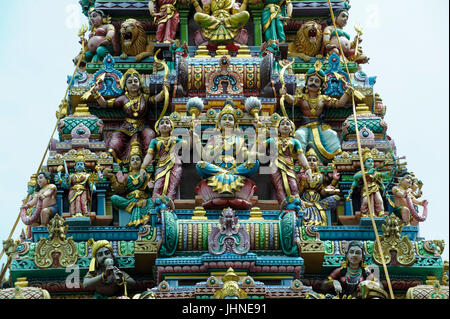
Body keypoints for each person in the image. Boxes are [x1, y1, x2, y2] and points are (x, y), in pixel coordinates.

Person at [280, 60, 351, 163]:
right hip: (305, 126)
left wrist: (348, 92)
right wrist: (285, 95)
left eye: (317, 81)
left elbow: (339, 103)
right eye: (311, 80)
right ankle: (299, 161)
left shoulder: (323, 98)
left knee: (332, 134)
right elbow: (292, 100)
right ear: (306, 82)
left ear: (321, 85)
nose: (313, 83)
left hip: (319, 126)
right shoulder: (302, 98)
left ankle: (337, 160)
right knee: (299, 135)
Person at [91, 68, 168, 162]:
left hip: (143, 125)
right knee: (116, 138)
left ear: (140, 84)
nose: (133, 83)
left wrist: (164, 91)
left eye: (136, 81)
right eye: (130, 82)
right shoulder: (123, 99)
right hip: (127, 127)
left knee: (149, 135)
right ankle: (110, 158)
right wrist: (96, 93)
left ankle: (151, 159)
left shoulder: (144, 97)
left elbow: (156, 99)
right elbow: (105, 104)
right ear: (125, 86)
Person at [194, 99, 259, 194]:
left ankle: (228, 174)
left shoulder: (239, 139)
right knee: (200, 165)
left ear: (234, 124)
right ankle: (228, 174)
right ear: (219, 123)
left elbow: (247, 157)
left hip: (235, 168)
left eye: (230, 119)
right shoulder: (214, 138)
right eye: (224, 119)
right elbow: (206, 157)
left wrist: (258, 136)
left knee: (254, 163)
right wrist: (217, 148)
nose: (227, 121)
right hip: (217, 168)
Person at [262, 117, 311, 210]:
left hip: (289, 165)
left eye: (288, 124)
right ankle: (284, 207)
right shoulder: (272, 140)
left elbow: (301, 155)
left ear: (292, 128)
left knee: (293, 185)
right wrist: (260, 130)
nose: (285, 126)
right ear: (278, 128)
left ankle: (297, 205)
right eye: (282, 124)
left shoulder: (295, 141)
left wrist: (307, 167)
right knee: (279, 187)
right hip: (275, 165)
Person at [104, 141, 154, 227]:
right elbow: (120, 190)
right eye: (133, 159)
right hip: (129, 200)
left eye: (138, 159)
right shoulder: (126, 176)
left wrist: (150, 187)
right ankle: (135, 206)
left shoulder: (146, 175)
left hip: (143, 200)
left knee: (154, 201)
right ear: (129, 163)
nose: (135, 161)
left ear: (142, 162)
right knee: (114, 198)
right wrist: (112, 177)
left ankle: (137, 210)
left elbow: (150, 189)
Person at [141, 116, 185, 202]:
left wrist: (192, 133)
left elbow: (187, 145)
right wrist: (143, 167)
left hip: (175, 165)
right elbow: (150, 154)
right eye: (162, 123)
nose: (164, 125)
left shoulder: (175, 139)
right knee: (158, 186)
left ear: (171, 127)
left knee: (172, 186)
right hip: (161, 165)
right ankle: (157, 206)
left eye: (167, 123)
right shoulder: (155, 141)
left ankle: (169, 208)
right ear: (157, 128)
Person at [298, 145, 341, 226]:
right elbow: (298, 192)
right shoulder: (301, 175)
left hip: (318, 202)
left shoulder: (320, 176)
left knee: (336, 198)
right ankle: (311, 208)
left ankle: (314, 206)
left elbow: (322, 192)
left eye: (314, 160)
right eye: (308, 160)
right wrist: (303, 181)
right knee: (294, 200)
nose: (311, 162)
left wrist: (334, 181)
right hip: (304, 202)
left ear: (317, 163)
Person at [346, 148, 390, 217]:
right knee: (365, 201)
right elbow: (355, 178)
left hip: (375, 187)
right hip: (365, 188)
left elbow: (381, 183)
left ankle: (380, 213)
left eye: (372, 161)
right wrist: (367, 173)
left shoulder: (375, 173)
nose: (370, 163)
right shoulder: (362, 172)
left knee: (379, 200)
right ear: (364, 164)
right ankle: (365, 213)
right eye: (368, 161)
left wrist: (386, 192)